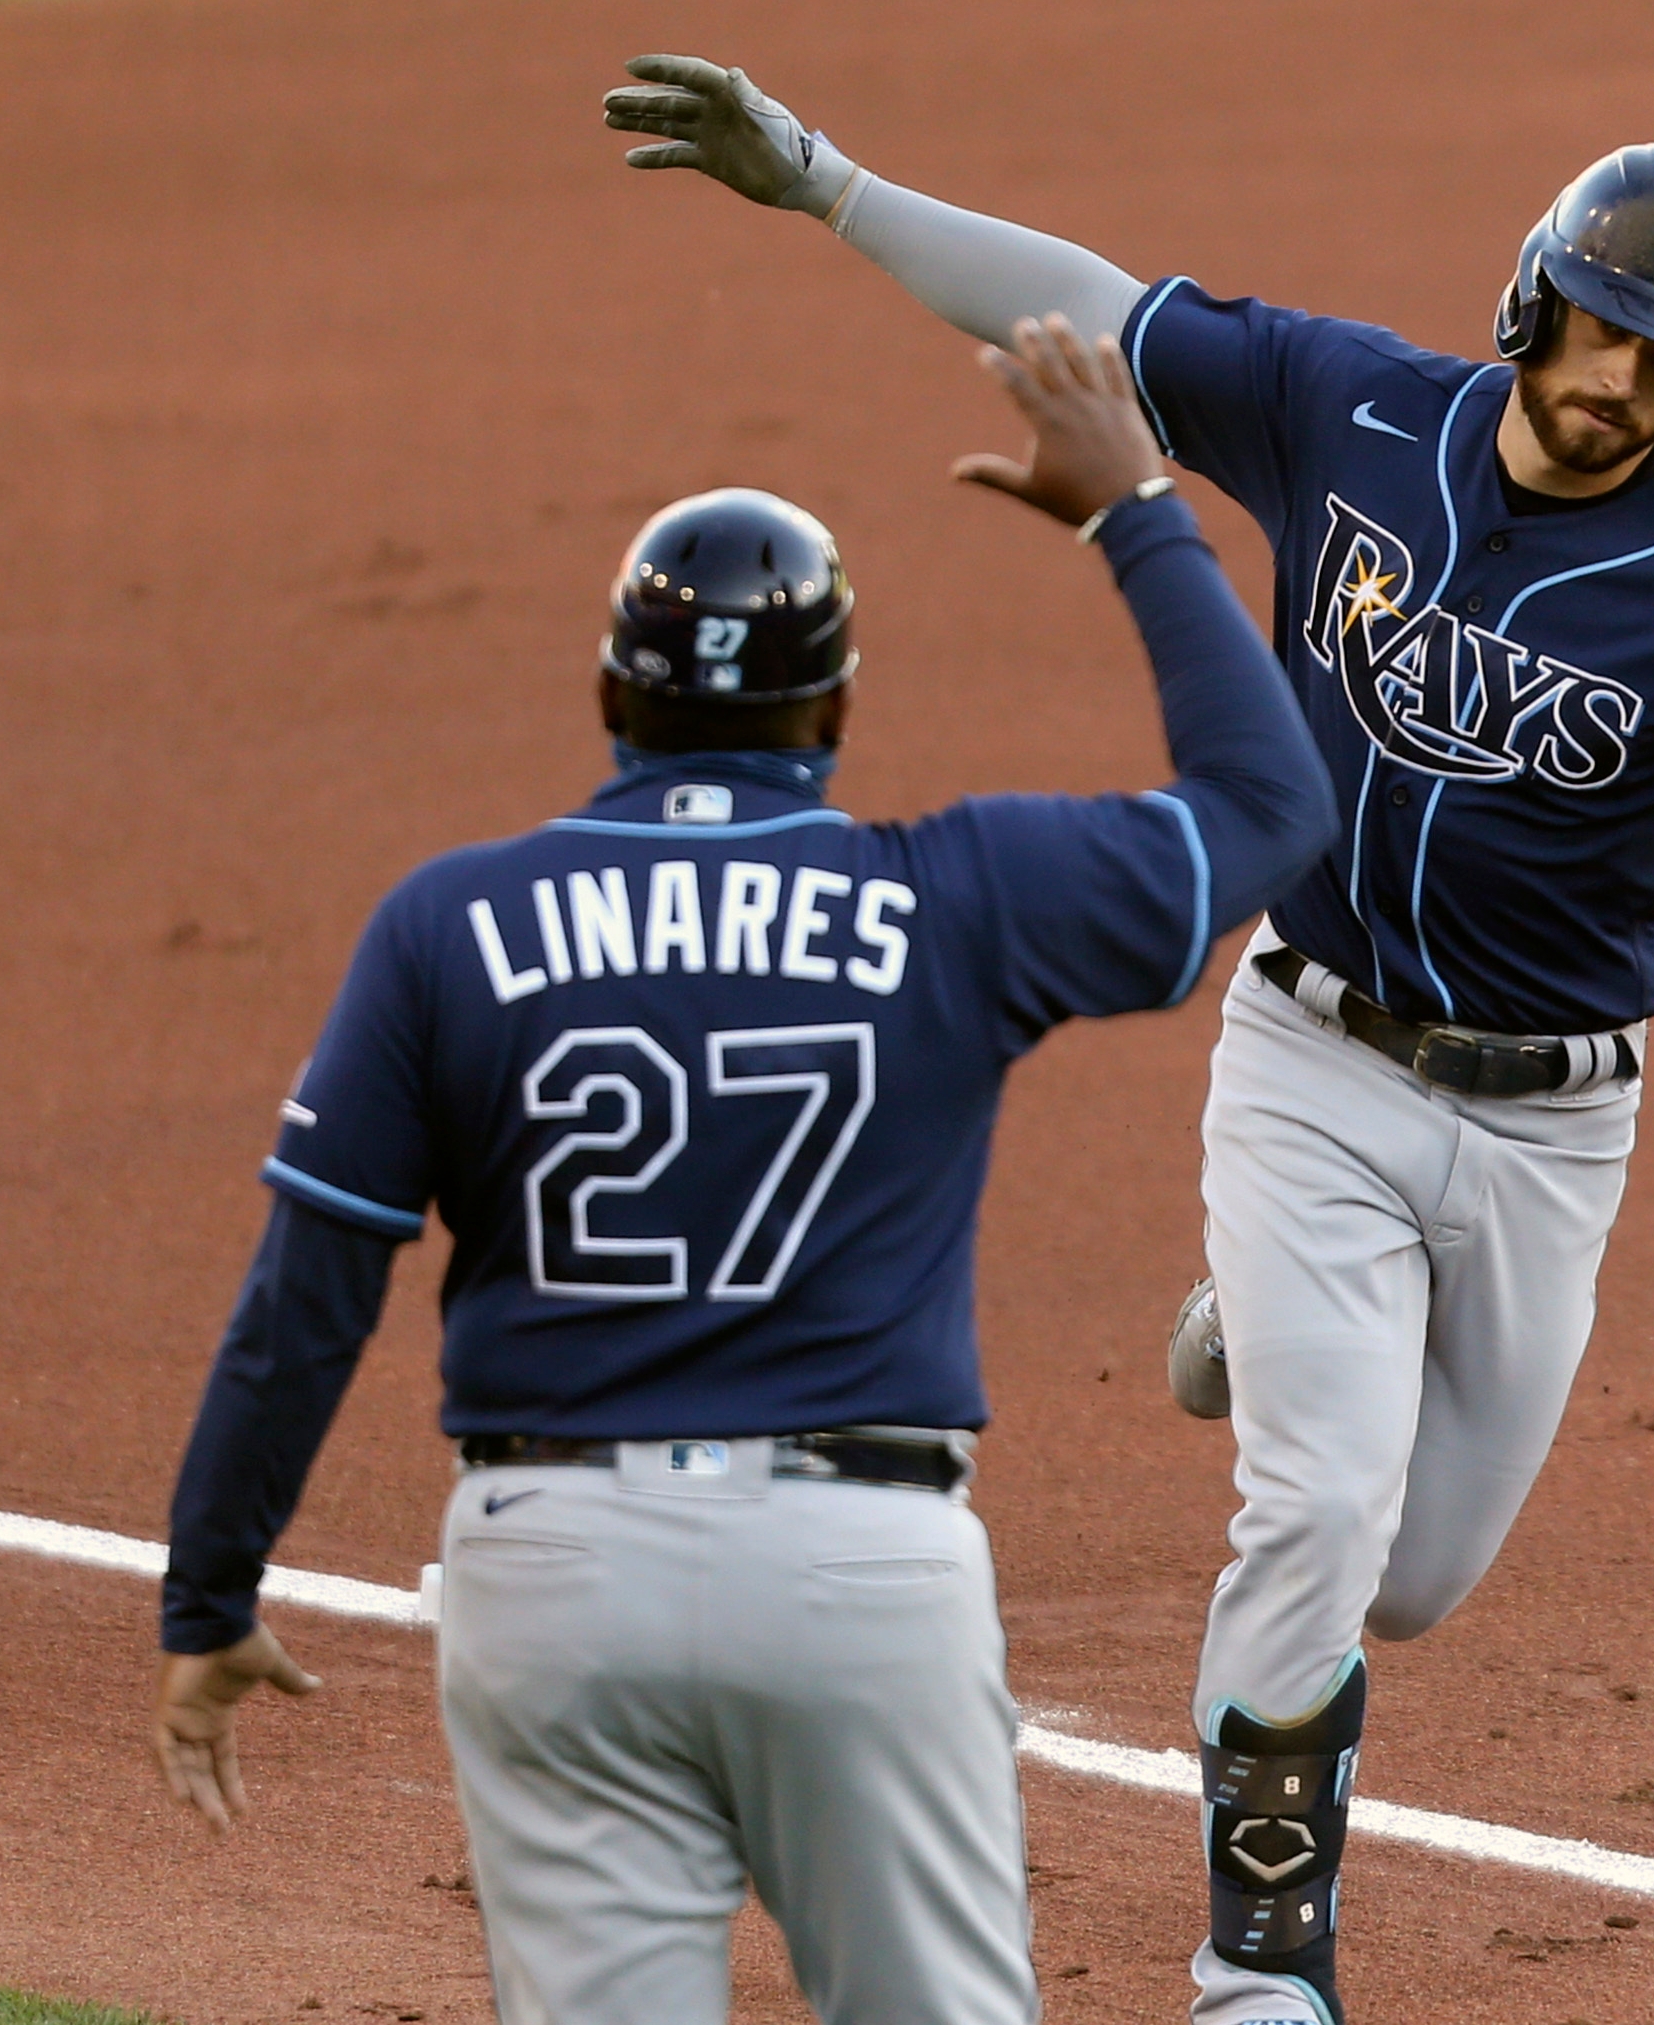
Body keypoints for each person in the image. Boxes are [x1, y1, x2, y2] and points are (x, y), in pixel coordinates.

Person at [603, 58, 1654, 2025]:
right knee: (1316, 1504)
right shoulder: (1348, 407)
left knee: (1414, 1572)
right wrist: (831, 183)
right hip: (1318, 1057)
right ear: (1532, 292)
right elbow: (1087, 311)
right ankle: (1259, 1962)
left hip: (1554, 1131)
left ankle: (1262, 1329)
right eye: (1604, 330)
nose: (1621, 384)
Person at [145, 318, 1335, 2025]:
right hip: (855, 1569)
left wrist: (211, 1589)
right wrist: (1134, 510)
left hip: (545, 1567)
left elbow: (308, 1296)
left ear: (614, 694)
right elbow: (1268, 804)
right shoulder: (960, 890)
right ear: (835, 706)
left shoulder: (446, 925)